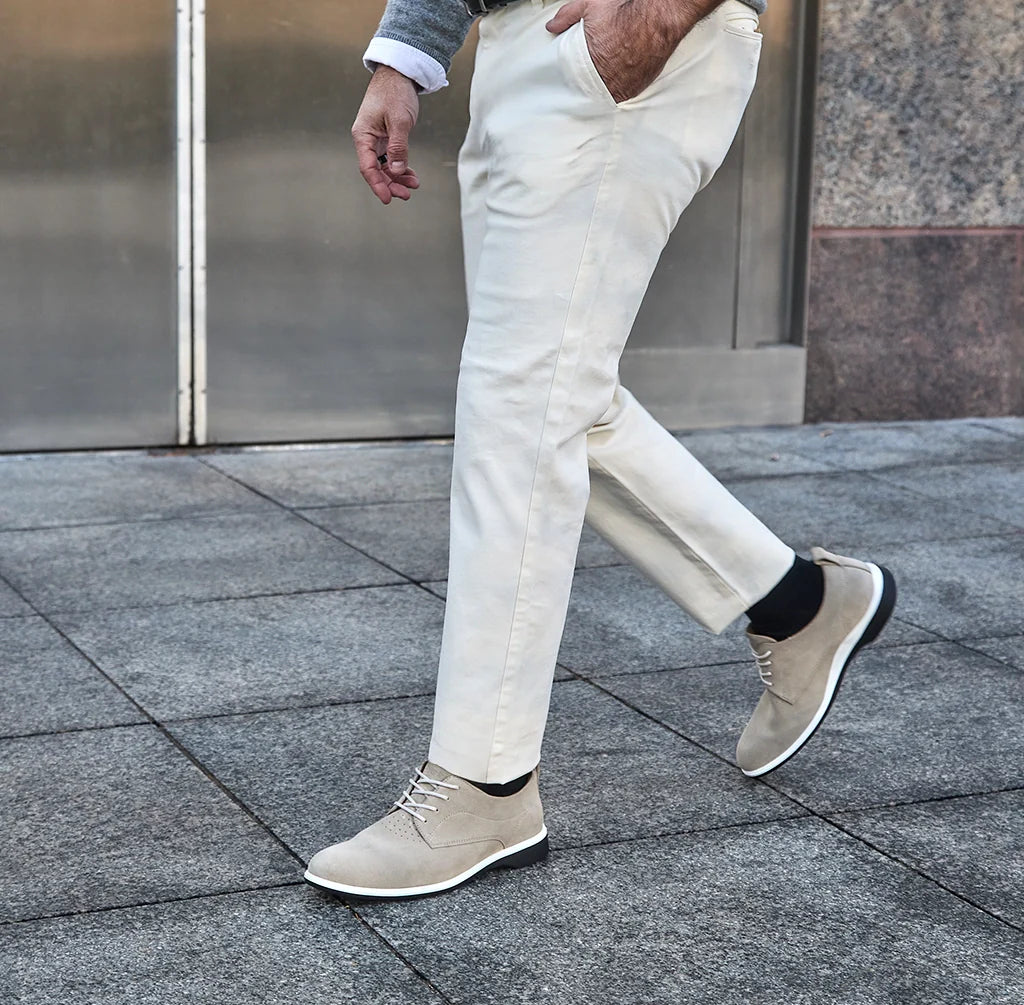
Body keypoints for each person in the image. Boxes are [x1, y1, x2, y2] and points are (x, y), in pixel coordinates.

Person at [303, 0, 897, 900]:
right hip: (523, 48)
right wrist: (407, 56)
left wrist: (653, 16)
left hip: (622, 43)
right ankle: (799, 603)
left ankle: (483, 783)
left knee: (520, 408)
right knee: (554, 396)